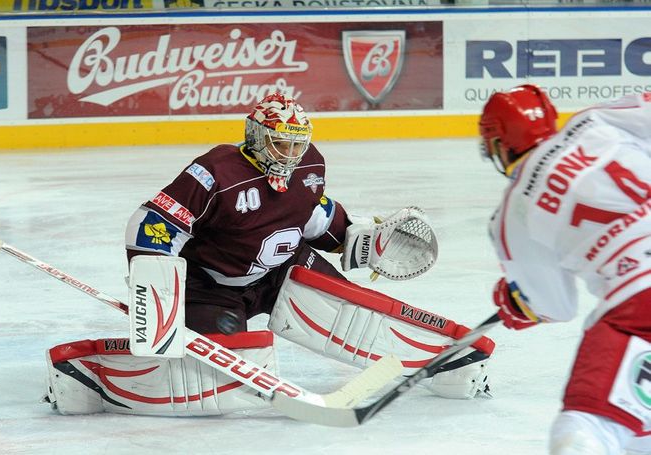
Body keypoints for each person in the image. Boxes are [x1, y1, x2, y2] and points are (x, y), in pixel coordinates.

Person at [42, 93, 494, 417]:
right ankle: (84, 377)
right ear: (256, 138)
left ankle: (449, 365)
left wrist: (357, 239)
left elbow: (314, 215)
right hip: (212, 288)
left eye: (299, 142)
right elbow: (152, 224)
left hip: (282, 273)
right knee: (218, 375)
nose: (292, 153)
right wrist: (156, 284)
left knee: (360, 311)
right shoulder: (218, 169)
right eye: (282, 143)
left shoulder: (309, 165)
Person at [479, 85, 651, 454]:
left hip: (639, 298)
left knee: (586, 431)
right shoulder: (595, 121)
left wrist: (520, 302)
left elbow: (555, 307)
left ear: (498, 145)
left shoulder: (511, 216)